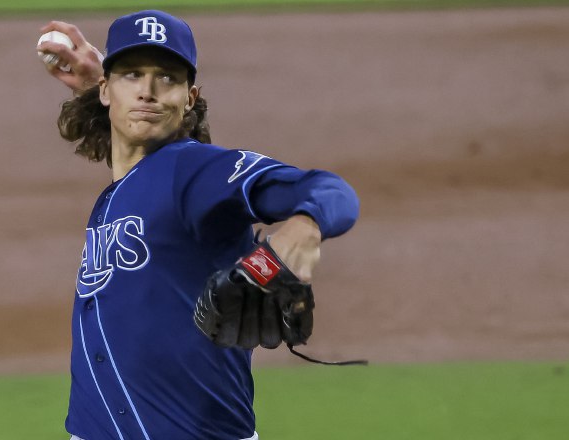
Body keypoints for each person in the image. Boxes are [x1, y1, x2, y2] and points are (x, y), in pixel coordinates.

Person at [37, 10, 359, 440]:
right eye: (132, 74)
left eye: (167, 78)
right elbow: (134, 142)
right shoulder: (120, 191)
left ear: (190, 98)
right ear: (105, 90)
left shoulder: (193, 171)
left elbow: (331, 191)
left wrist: (305, 225)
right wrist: (107, 83)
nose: (148, 92)